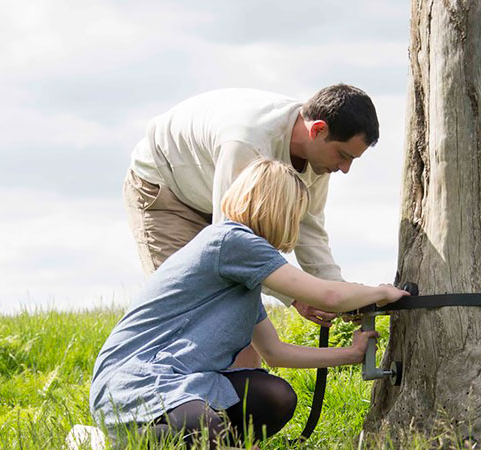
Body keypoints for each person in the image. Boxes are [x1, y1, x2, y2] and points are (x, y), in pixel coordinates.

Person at [92, 159, 408, 450]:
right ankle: (140, 445)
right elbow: (328, 296)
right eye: (295, 213)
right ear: (279, 209)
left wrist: (350, 355)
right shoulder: (232, 242)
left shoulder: (243, 275)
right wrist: (380, 293)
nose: (295, 224)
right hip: (136, 383)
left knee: (276, 397)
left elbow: (274, 352)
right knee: (204, 427)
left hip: (181, 381)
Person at [123, 84, 379, 346]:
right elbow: (231, 249)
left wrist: (337, 292)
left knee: (234, 324)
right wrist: (296, 296)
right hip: (168, 190)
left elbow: (309, 230)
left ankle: (239, 384)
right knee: (188, 315)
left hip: (216, 198)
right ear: (318, 130)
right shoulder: (248, 142)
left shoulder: (319, 161)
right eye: (343, 155)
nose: (345, 169)